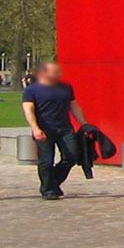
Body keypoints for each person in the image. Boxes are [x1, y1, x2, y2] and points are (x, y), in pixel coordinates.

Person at [21, 61, 87, 200]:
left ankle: (52, 182)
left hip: (64, 128)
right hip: (44, 128)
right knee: (46, 160)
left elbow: (74, 107)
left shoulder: (66, 88)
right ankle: (48, 190)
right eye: (54, 71)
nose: (59, 74)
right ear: (44, 73)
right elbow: (28, 110)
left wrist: (84, 124)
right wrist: (35, 128)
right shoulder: (32, 90)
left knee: (72, 156)